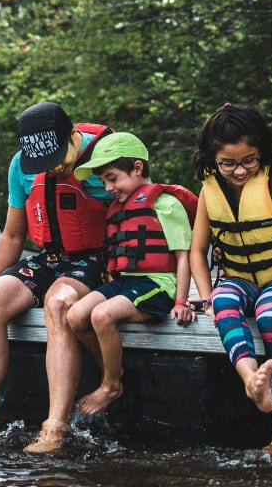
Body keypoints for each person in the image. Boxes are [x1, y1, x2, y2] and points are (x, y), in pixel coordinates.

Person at [0, 102, 113, 452]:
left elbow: (144, 211)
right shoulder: (20, 166)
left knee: (58, 301)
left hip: (99, 259)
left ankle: (55, 427)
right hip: (51, 257)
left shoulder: (108, 155)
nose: (52, 168)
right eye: (43, 163)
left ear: (73, 135)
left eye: (58, 158)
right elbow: (13, 237)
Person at [188, 103, 272, 453]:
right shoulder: (209, 189)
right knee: (225, 304)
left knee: (271, 316)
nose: (239, 170)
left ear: (262, 152)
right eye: (228, 162)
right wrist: (206, 296)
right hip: (240, 278)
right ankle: (251, 380)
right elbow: (197, 250)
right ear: (213, 158)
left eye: (249, 160)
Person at [64, 132, 199, 418]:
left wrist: (181, 301)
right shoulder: (118, 208)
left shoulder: (166, 204)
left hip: (159, 285)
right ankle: (111, 369)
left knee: (101, 316)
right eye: (103, 181)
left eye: (112, 178)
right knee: (76, 315)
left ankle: (112, 385)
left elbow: (182, 256)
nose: (108, 187)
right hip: (127, 282)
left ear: (137, 168)